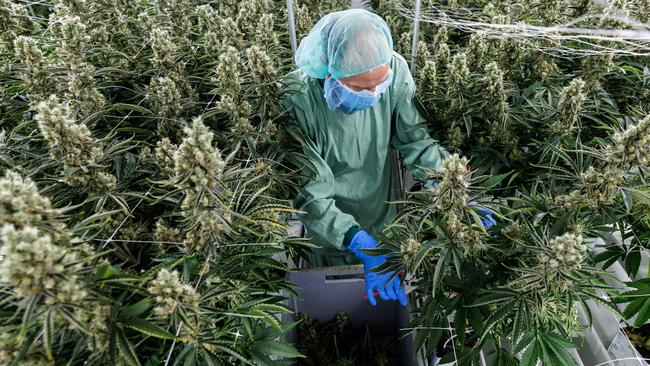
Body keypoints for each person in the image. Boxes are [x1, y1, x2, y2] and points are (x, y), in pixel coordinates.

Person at [281, 9, 493, 306]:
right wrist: (356, 239)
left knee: (385, 294)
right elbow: (311, 194)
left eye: (378, 86)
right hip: (327, 227)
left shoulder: (394, 71)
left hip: (381, 212)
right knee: (334, 297)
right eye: (359, 87)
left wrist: (452, 188)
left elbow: (417, 142)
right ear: (328, 71)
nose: (372, 94)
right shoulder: (297, 98)